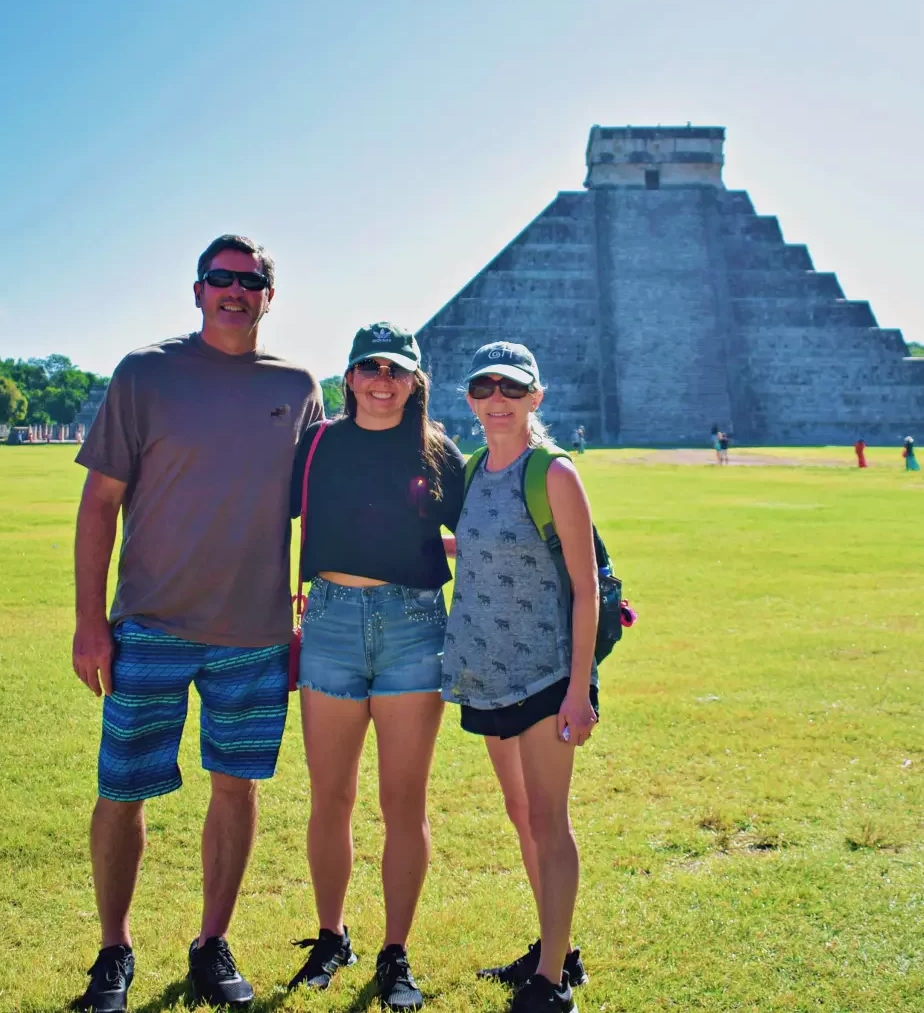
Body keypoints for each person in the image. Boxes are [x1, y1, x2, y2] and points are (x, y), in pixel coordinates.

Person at [70, 234, 324, 1012]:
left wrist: (310, 609)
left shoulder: (298, 385)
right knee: (122, 788)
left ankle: (212, 941)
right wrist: (90, 622)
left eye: (251, 281)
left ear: (270, 297)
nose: (235, 290)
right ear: (197, 289)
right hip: (151, 619)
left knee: (236, 789)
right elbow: (99, 503)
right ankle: (113, 949)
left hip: (252, 631)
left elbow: (320, 507)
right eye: (221, 278)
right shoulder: (146, 373)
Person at [284, 322, 465, 1010]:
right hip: (328, 621)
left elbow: (479, 531)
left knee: (402, 801)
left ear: (415, 379)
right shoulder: (319, 443)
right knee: (330, 796)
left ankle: (396, 951)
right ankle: (331, 936)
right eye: (370, 367)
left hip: (413, 628)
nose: (382, 381)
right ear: (350, 376)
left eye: (396, 369)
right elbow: (264, 513)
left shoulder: (436, 450)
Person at [446, 342, 599, 1013]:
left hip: (544, 673)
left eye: (512, 388)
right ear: (472, 399)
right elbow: (475, 541)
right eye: (485, 388)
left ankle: (552, 982)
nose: (497, 399)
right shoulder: (473, 469)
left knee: (547, 815)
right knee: (520, 813)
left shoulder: (554, 473)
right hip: (486, 670)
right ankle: (554, 947)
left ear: (536, 397)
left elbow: (586, 587)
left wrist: (578, 688)